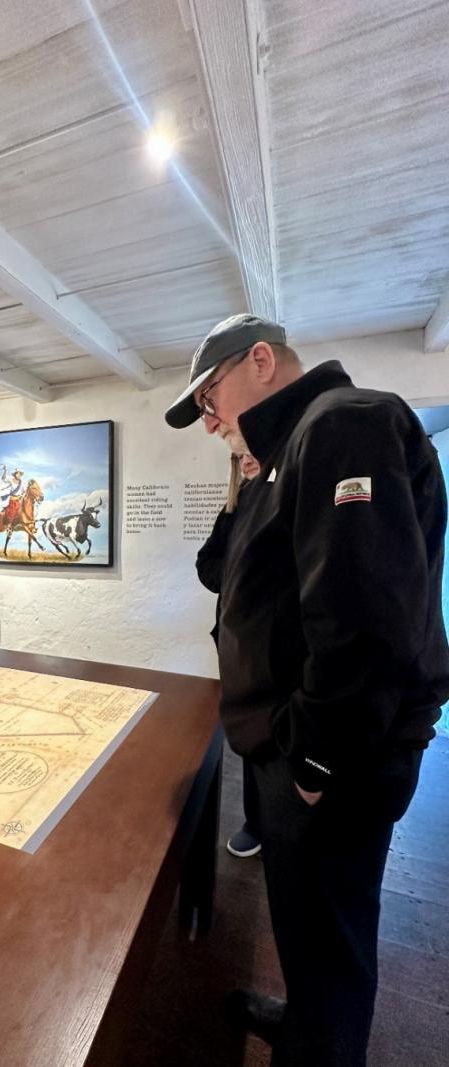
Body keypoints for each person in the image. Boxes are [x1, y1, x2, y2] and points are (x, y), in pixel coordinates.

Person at [165, 313, 449, 1065]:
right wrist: (245, 478)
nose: (208, 419)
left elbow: (364, 620)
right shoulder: (283, 453)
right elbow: (214, 572)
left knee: (332, 930)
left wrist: (316, 764)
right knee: (303, 923)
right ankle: (304, 1023)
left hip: (330, 758)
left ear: (261, 360)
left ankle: (323, 1049)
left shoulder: (344, 424)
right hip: (287, 746)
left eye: (209, 396)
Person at [196, 451, 262, 858]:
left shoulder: (289, 495)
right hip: (239, 641)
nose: (247, 461)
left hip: (281, 645)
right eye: (239, 457)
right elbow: (207, 563)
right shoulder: (235, 507)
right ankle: (257, 821)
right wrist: (241, 578)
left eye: (252, 453)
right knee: (253, 735)